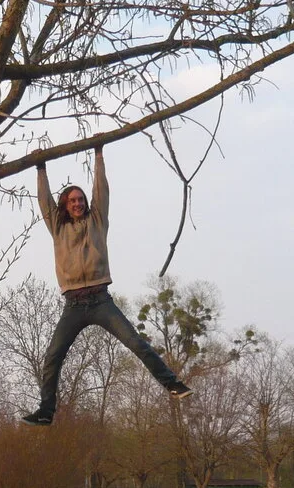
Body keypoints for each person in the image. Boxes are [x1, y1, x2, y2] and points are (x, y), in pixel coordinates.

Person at [22, 145, 193, 426]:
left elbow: (101, 190)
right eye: (72, 200)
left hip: (101, 301)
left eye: (81, 199)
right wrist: (40, 168)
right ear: (65, 205)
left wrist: (98, 154)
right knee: (53, 355)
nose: (78, 203)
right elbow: (44, 201)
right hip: (73, 305)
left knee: (136, 342)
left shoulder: (97, 220)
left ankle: (173, 384)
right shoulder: (58, 228)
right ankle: (46, 411)